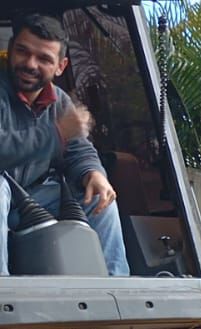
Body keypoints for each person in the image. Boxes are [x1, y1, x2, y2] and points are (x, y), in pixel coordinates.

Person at [0, 13, 126, 276]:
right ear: (11, 50)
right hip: (4, 195)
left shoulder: (59, 101)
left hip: (32, 198)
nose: (30, 64)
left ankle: (115, 290)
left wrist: (94, 172)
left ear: (61, 66)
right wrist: (56, 134)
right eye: (23, 52)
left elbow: (78, 150)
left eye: (44, 58)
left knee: (100, 199)